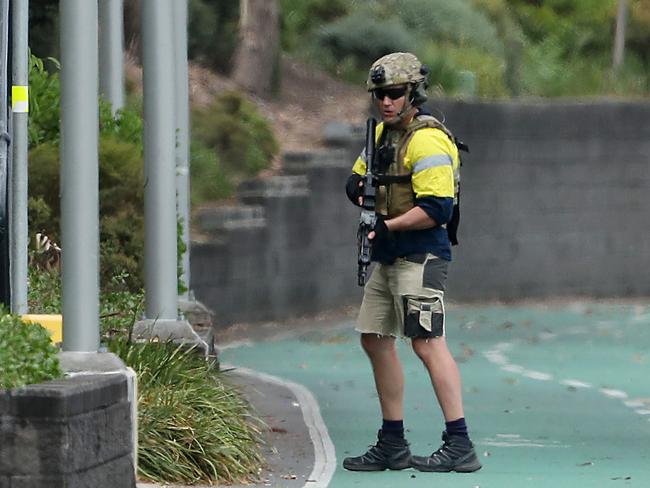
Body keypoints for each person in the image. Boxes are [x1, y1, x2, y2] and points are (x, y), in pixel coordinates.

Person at [343, 52, 481, 473]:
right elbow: (360, 177)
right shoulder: (382, 135)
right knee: (374, 337)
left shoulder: (428, 139)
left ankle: (460, 443)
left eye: (394, 94)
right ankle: (392, 442)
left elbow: (437, 207)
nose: (386, 101)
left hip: (421, 254)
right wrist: (357, 189)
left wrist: (389, 226)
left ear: (412, 93)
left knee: (426, 342)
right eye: (380, 94)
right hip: (387, 256)